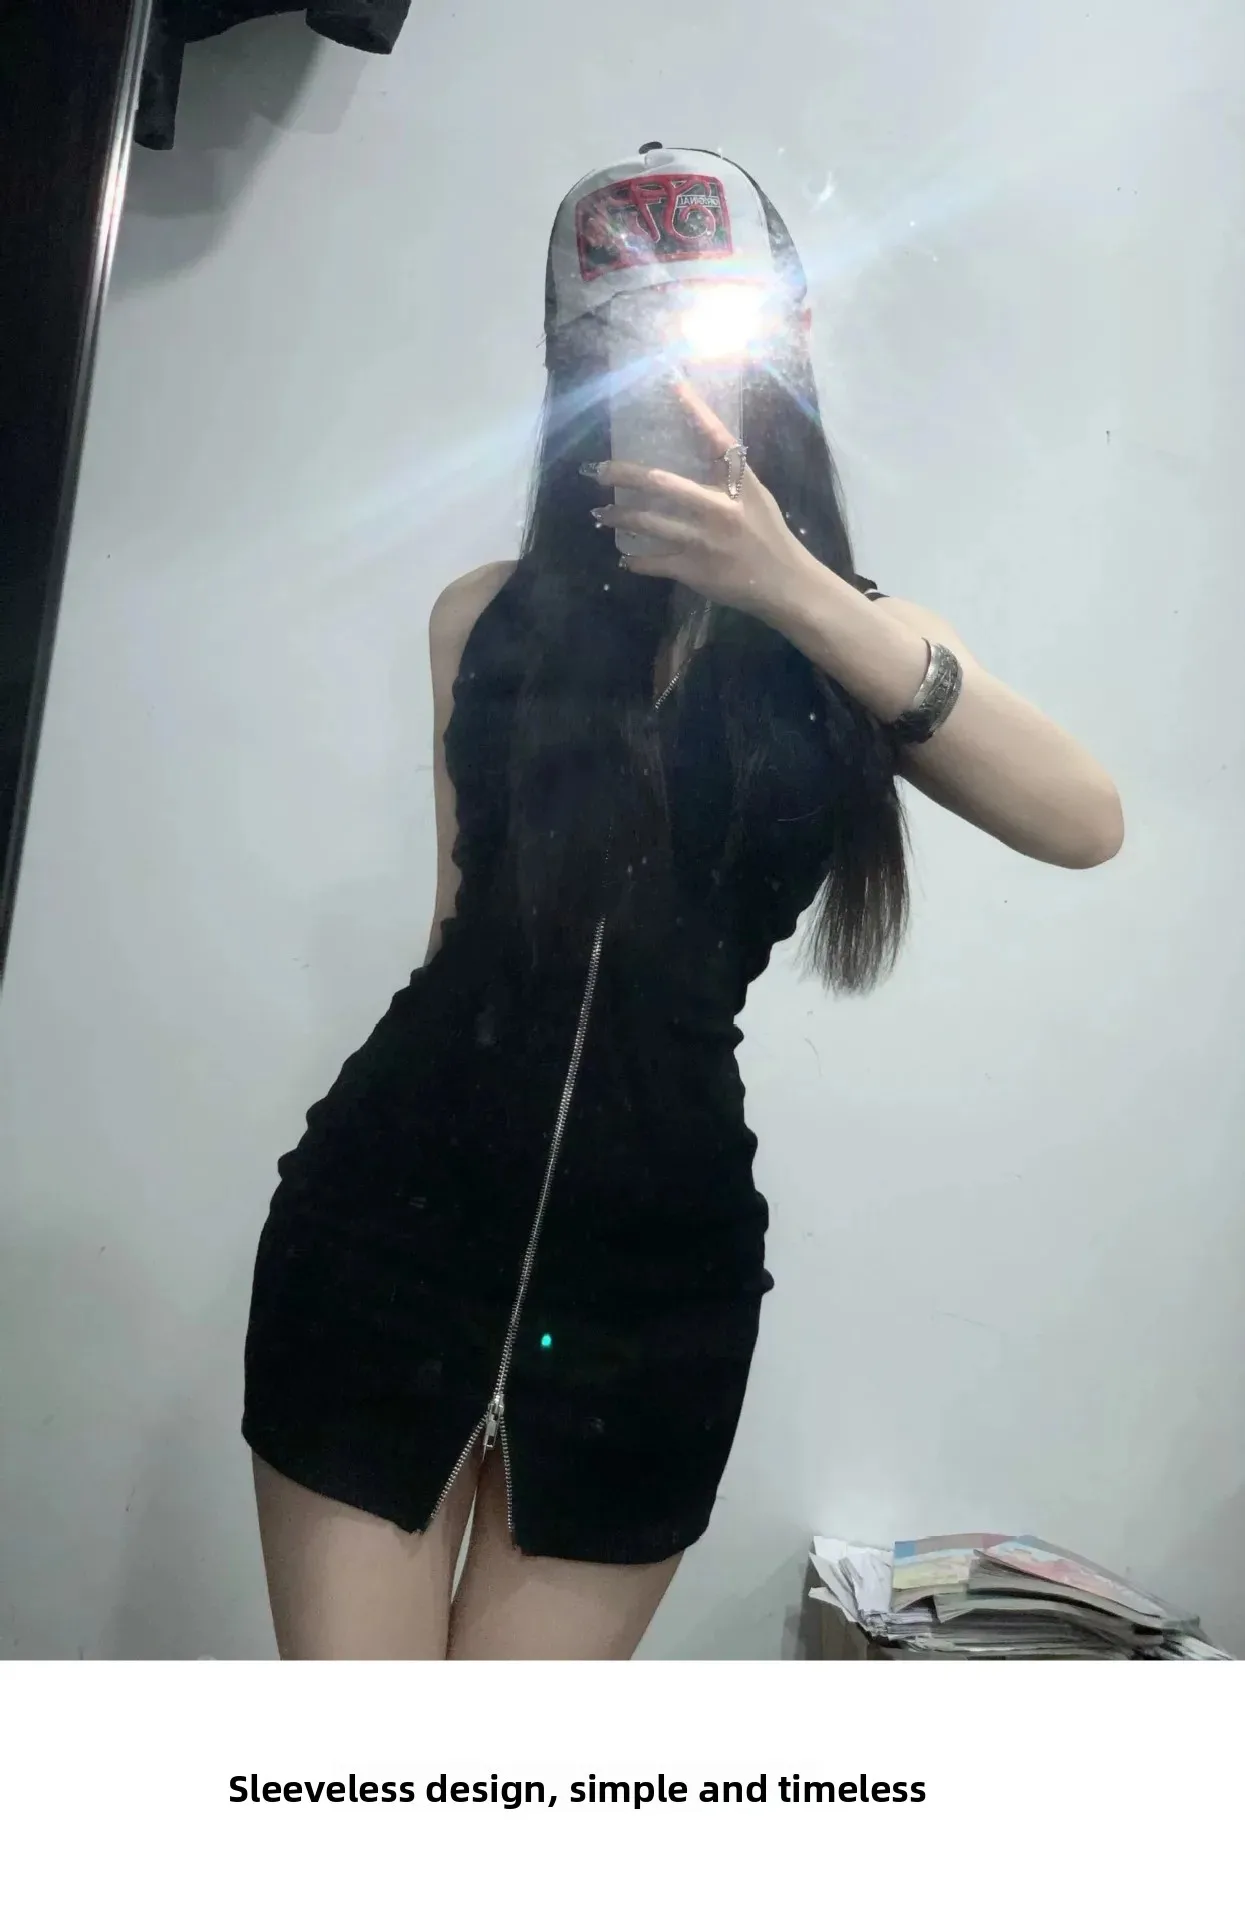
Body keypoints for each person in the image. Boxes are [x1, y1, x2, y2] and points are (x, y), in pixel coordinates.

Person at [242, 147, 1124, 1660]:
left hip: (652, 1294)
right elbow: (457, 929)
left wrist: (795, 592)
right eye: (619, 349)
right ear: (570, 381)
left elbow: (1085, 820)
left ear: (784, 354)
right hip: (382, 1237)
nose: (668, 385)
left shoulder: (857, 643)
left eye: (702, 342)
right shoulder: (483, 617)